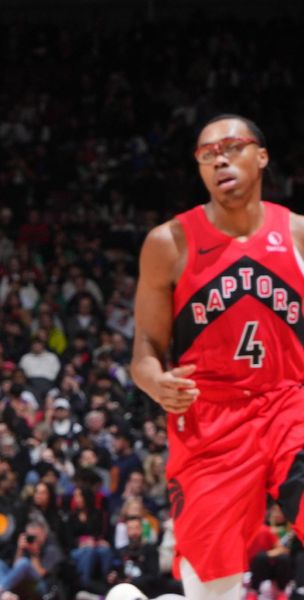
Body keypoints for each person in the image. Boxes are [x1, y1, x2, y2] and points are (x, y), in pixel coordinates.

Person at [131, 114, 304, 599]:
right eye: (207, 154)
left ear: (262, 156)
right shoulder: (169, 243)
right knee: (212, 588)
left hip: (289, 403)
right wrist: (153, 381)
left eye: (231, 146)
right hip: (210, 420)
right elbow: (144, 349)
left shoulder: (297, 234)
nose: (219, 159)